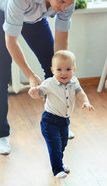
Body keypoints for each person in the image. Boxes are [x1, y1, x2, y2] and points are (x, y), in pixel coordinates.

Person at [0, 0, 82, 155]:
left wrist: (62, 68)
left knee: (53, 65)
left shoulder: (67, 1)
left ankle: (58, 123)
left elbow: (61, 42)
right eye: (61, 1)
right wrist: (30, 75)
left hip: (35, 16)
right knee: (1, 71)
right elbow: (11, 40)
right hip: (1, 9)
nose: (63, 7)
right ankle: (1, 135)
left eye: (68, 3)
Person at [29, 50, 94, 179]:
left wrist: (85, 101)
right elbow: (39, 94)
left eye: (68, 69)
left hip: (64, 121)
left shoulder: (74, 82)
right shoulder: (49, 83)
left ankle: (59, 163)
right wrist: (34, 93)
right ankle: (57, 169)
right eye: (59, 69)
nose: (64, 73)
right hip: (50, 121)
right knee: (55, 146)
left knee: (63, 144)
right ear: (53, 70)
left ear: (74, 69)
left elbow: (80, 92)